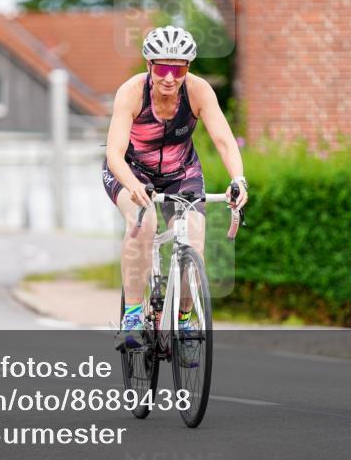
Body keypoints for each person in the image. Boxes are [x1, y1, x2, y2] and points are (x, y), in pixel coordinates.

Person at [103, 25, 248, 349]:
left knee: (194, 242)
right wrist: (133, 185)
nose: (170, 77)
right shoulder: (131, 93)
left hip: (181, 172)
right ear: (149, 66)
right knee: (144, 223)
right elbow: (113, 153)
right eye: (162, 68)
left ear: (188, 68)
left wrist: (239, 180)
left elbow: (224, 141)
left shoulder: (198, 92)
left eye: (178, 68)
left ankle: (185, 320)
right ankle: (133, 315)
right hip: (130, 170)